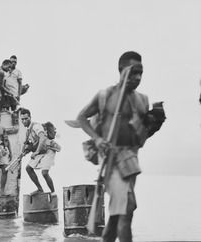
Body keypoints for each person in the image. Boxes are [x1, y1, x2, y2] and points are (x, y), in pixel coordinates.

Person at [77, 51, 165, 242]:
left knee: (118, 215)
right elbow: (81, 118)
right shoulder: (105, 96)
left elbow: (140, 136)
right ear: (121, 70)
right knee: (127, 209)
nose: (138, 77)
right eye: (133, 72)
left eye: (141, 73)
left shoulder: (142, 99)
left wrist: (154, 122)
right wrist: (98, 139)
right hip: (110, 159)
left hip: (131, 159)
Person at [20, 108, 61, 195]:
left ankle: (53, 192)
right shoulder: (28, 131)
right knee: (28, 168)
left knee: (44, 173)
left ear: (30, 118)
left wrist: (36, 152)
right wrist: (24, 152)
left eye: (26, 119)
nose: (24, 121)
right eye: (22, 119)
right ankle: (40, 189)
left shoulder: (36, 126)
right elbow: (32, 144)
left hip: (48, 150)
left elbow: (42, 138)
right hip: (41, 151)